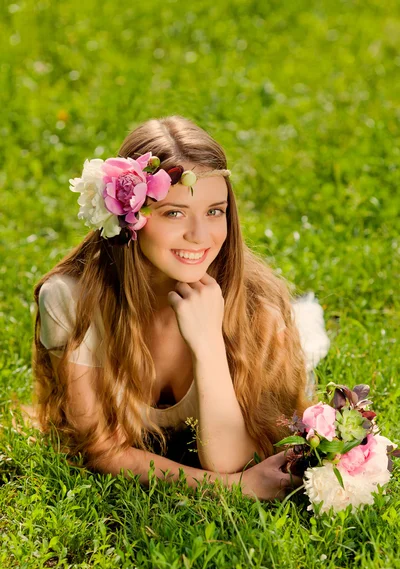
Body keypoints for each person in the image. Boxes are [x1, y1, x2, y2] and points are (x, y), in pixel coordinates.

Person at [29, 115, 330, 502]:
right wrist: (234, 489)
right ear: (129, 218)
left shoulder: (254, 305)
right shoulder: (73, 301)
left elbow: (229, 458)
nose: (200, 235)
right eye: (174, 213)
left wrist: (207, 343)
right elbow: (99, 447)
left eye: (214, 211)